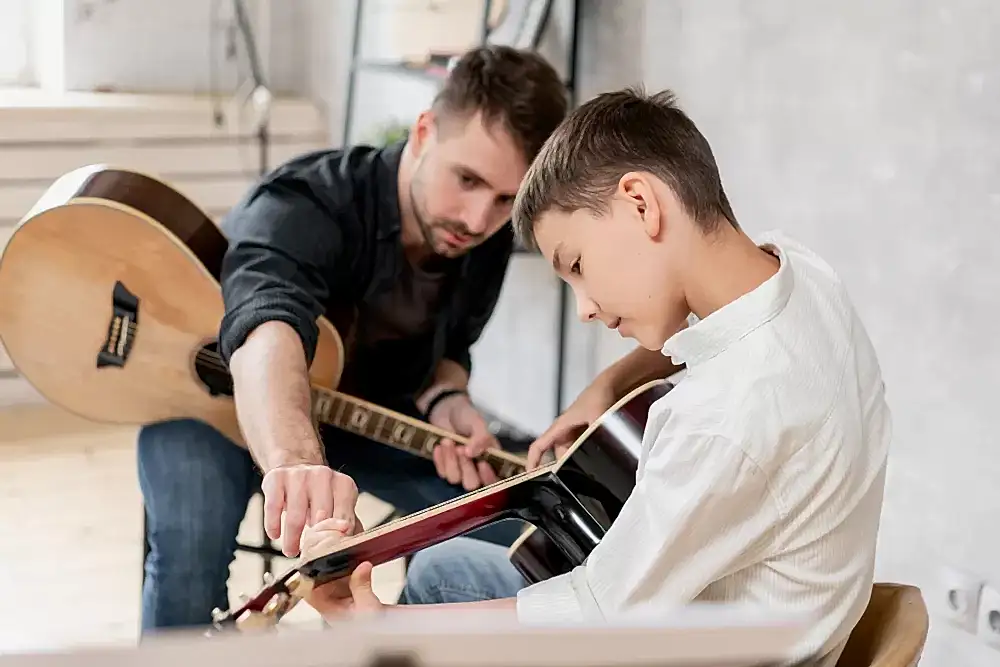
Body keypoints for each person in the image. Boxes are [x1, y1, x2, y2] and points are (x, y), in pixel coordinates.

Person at [298, 87, 892, 667]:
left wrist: (376, 623)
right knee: (443, 570)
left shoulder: (724, 419)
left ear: (640, 203)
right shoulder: (802, 273)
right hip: (772, 618)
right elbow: (727, 327)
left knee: (433, 598)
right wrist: (605, 390)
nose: (584, 307)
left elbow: (596, 611)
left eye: (577, 265)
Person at [137, 45, 568, 632]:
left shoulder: (484, 240)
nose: (476, 219)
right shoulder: (307, 201)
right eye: (466, 179)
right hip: (209, 405)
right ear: (423, 133)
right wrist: (294, 464)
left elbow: (450, 350)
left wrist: (449, 400)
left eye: (504, 200)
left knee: (508, 526)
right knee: (190, 547)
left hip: (359, 424)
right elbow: (268, 328)